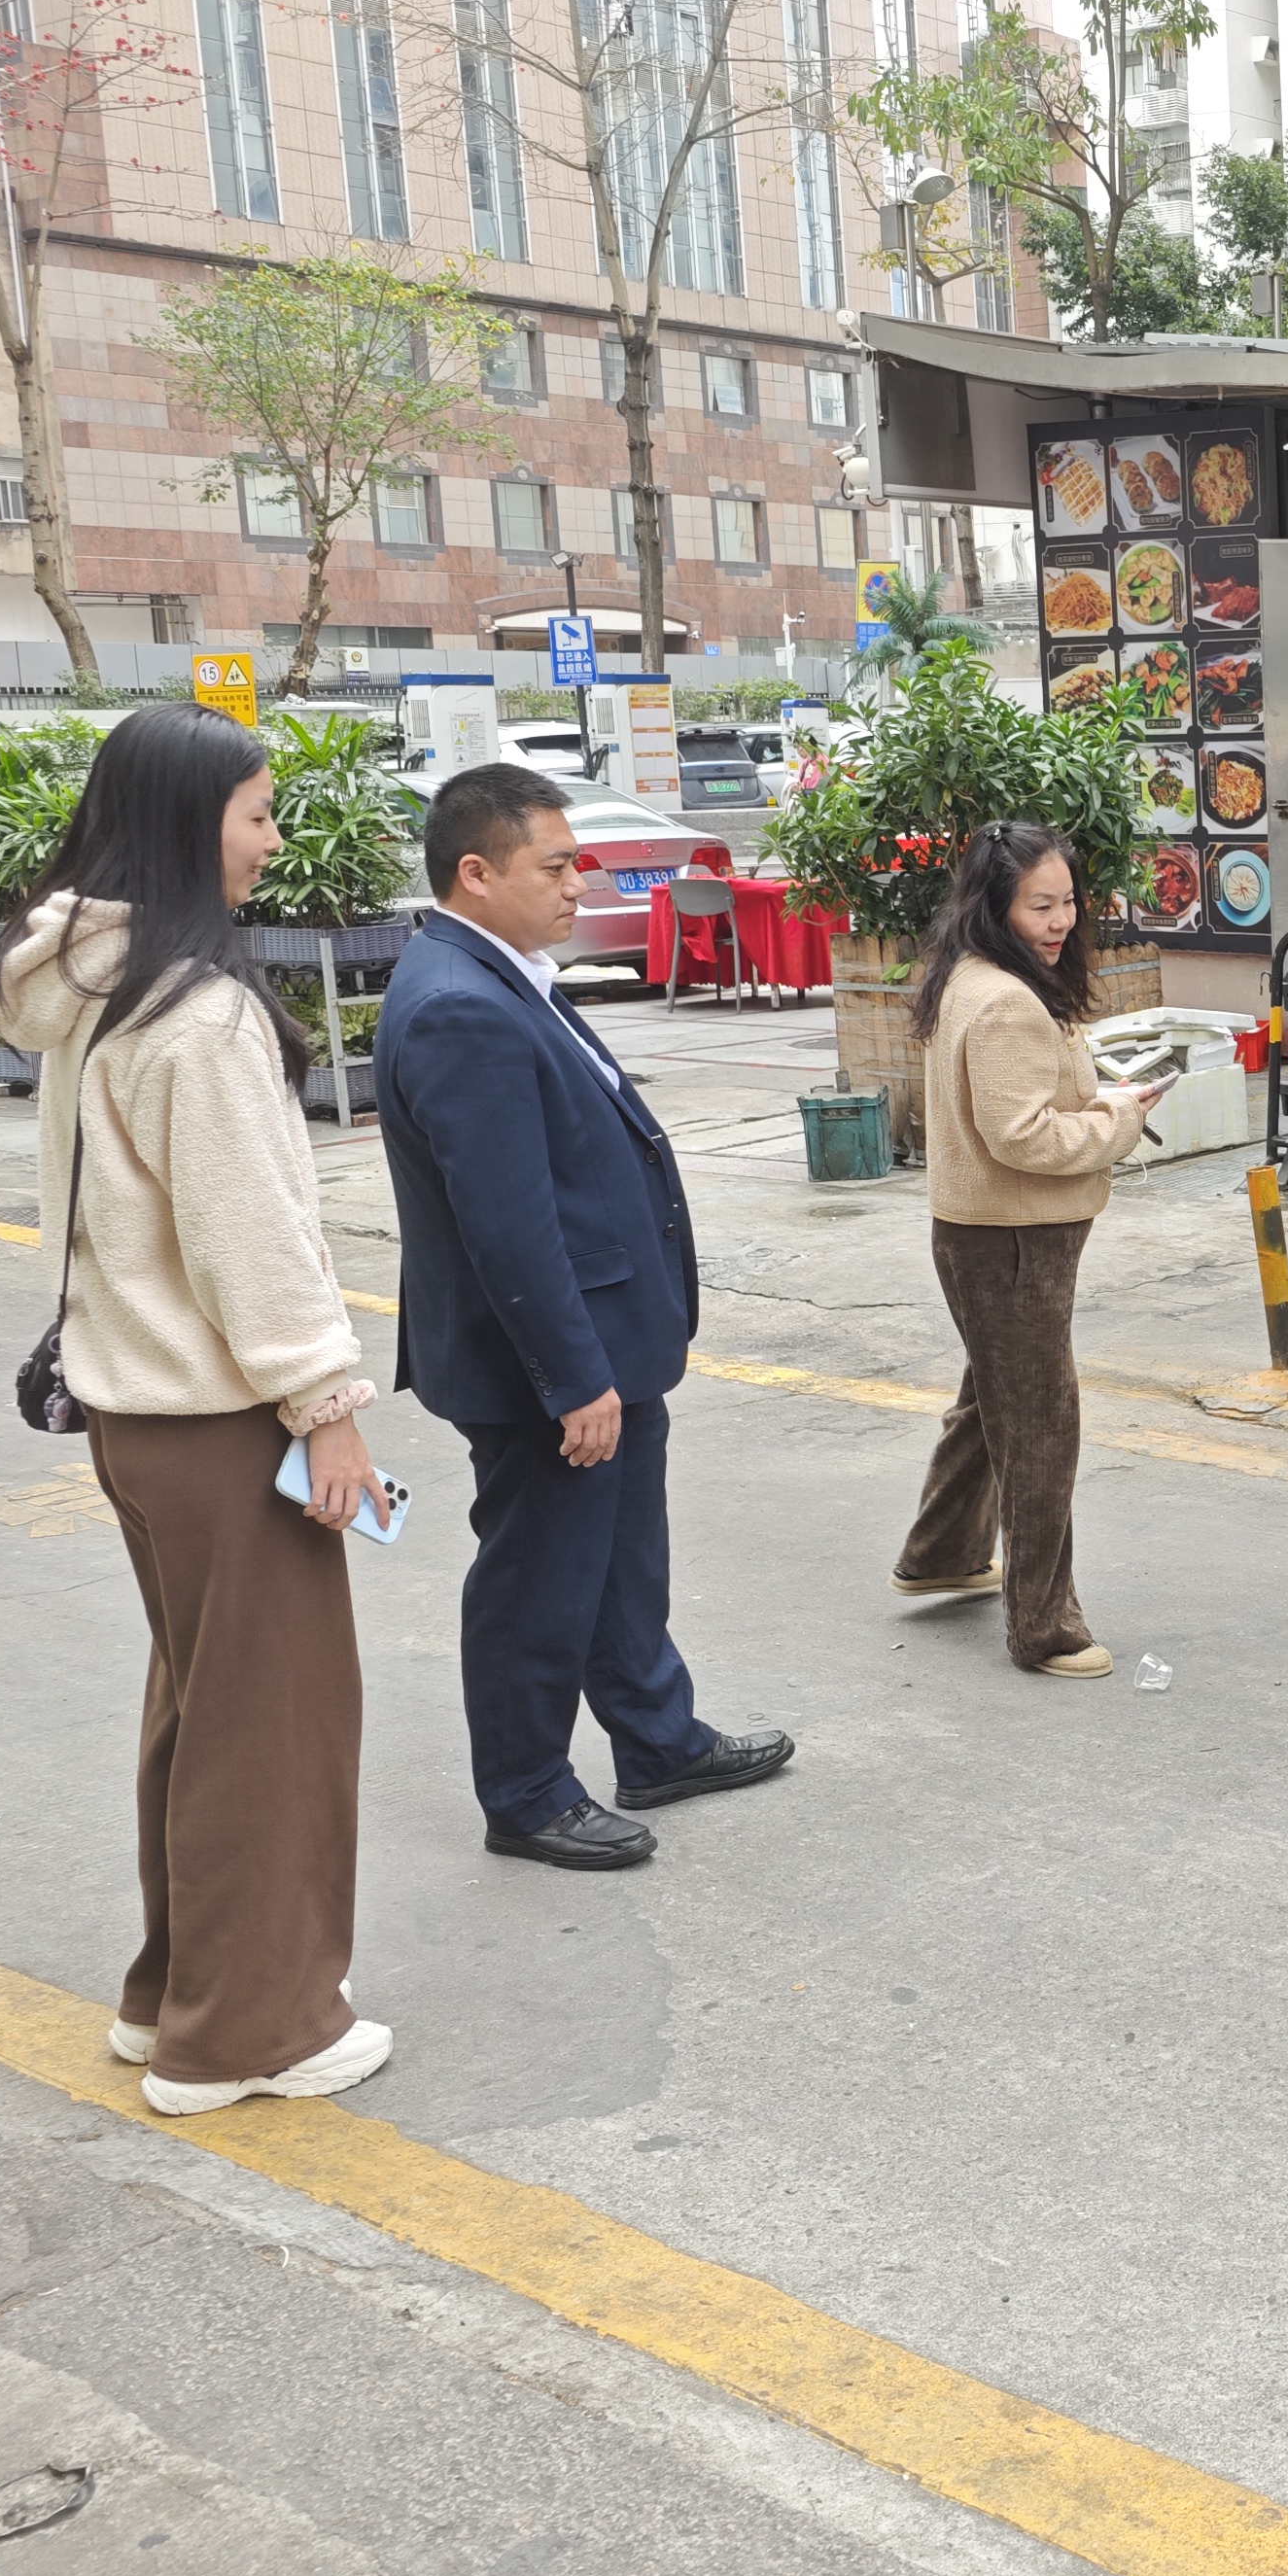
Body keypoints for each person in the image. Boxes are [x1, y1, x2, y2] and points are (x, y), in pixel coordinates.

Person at [0, 704, 396, 2116]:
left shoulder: (89, 981)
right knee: (274, 1723)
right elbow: (250, 1241)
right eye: (256, 816)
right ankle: (246, 2034)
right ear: (184, 825)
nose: (272, 844)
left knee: (200, 1709)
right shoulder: (196, 1011)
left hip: (133, 1410)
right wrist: (326, 1406)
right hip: (221, 1416)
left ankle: (173, 1992)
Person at [373, 761, 793, 1870]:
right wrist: (573, 1379)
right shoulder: (460, 1006)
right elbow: (507, 1224)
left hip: (606, 1337)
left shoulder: (503, 975)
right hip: (545, 1363)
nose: (578, 885)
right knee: (540, 1578)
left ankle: (659, 1739)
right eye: (555, 867)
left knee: (620, 1558)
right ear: (477, 873)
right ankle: (525, 1792)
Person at [889, 823, 1159, 1673]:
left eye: (1068, 901)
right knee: (1039, 1425)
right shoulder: (1005, 999)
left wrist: (1102, 1102)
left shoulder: (968, 974)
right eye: (1040, 905)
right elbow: (1022, 1136)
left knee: (993, 1400)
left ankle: (941, 1554)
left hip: (986, 1233)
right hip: (1011, 1241)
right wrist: (1119, 1117)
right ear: (995, 905)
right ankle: (1044, 1627)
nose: (1061, 920)